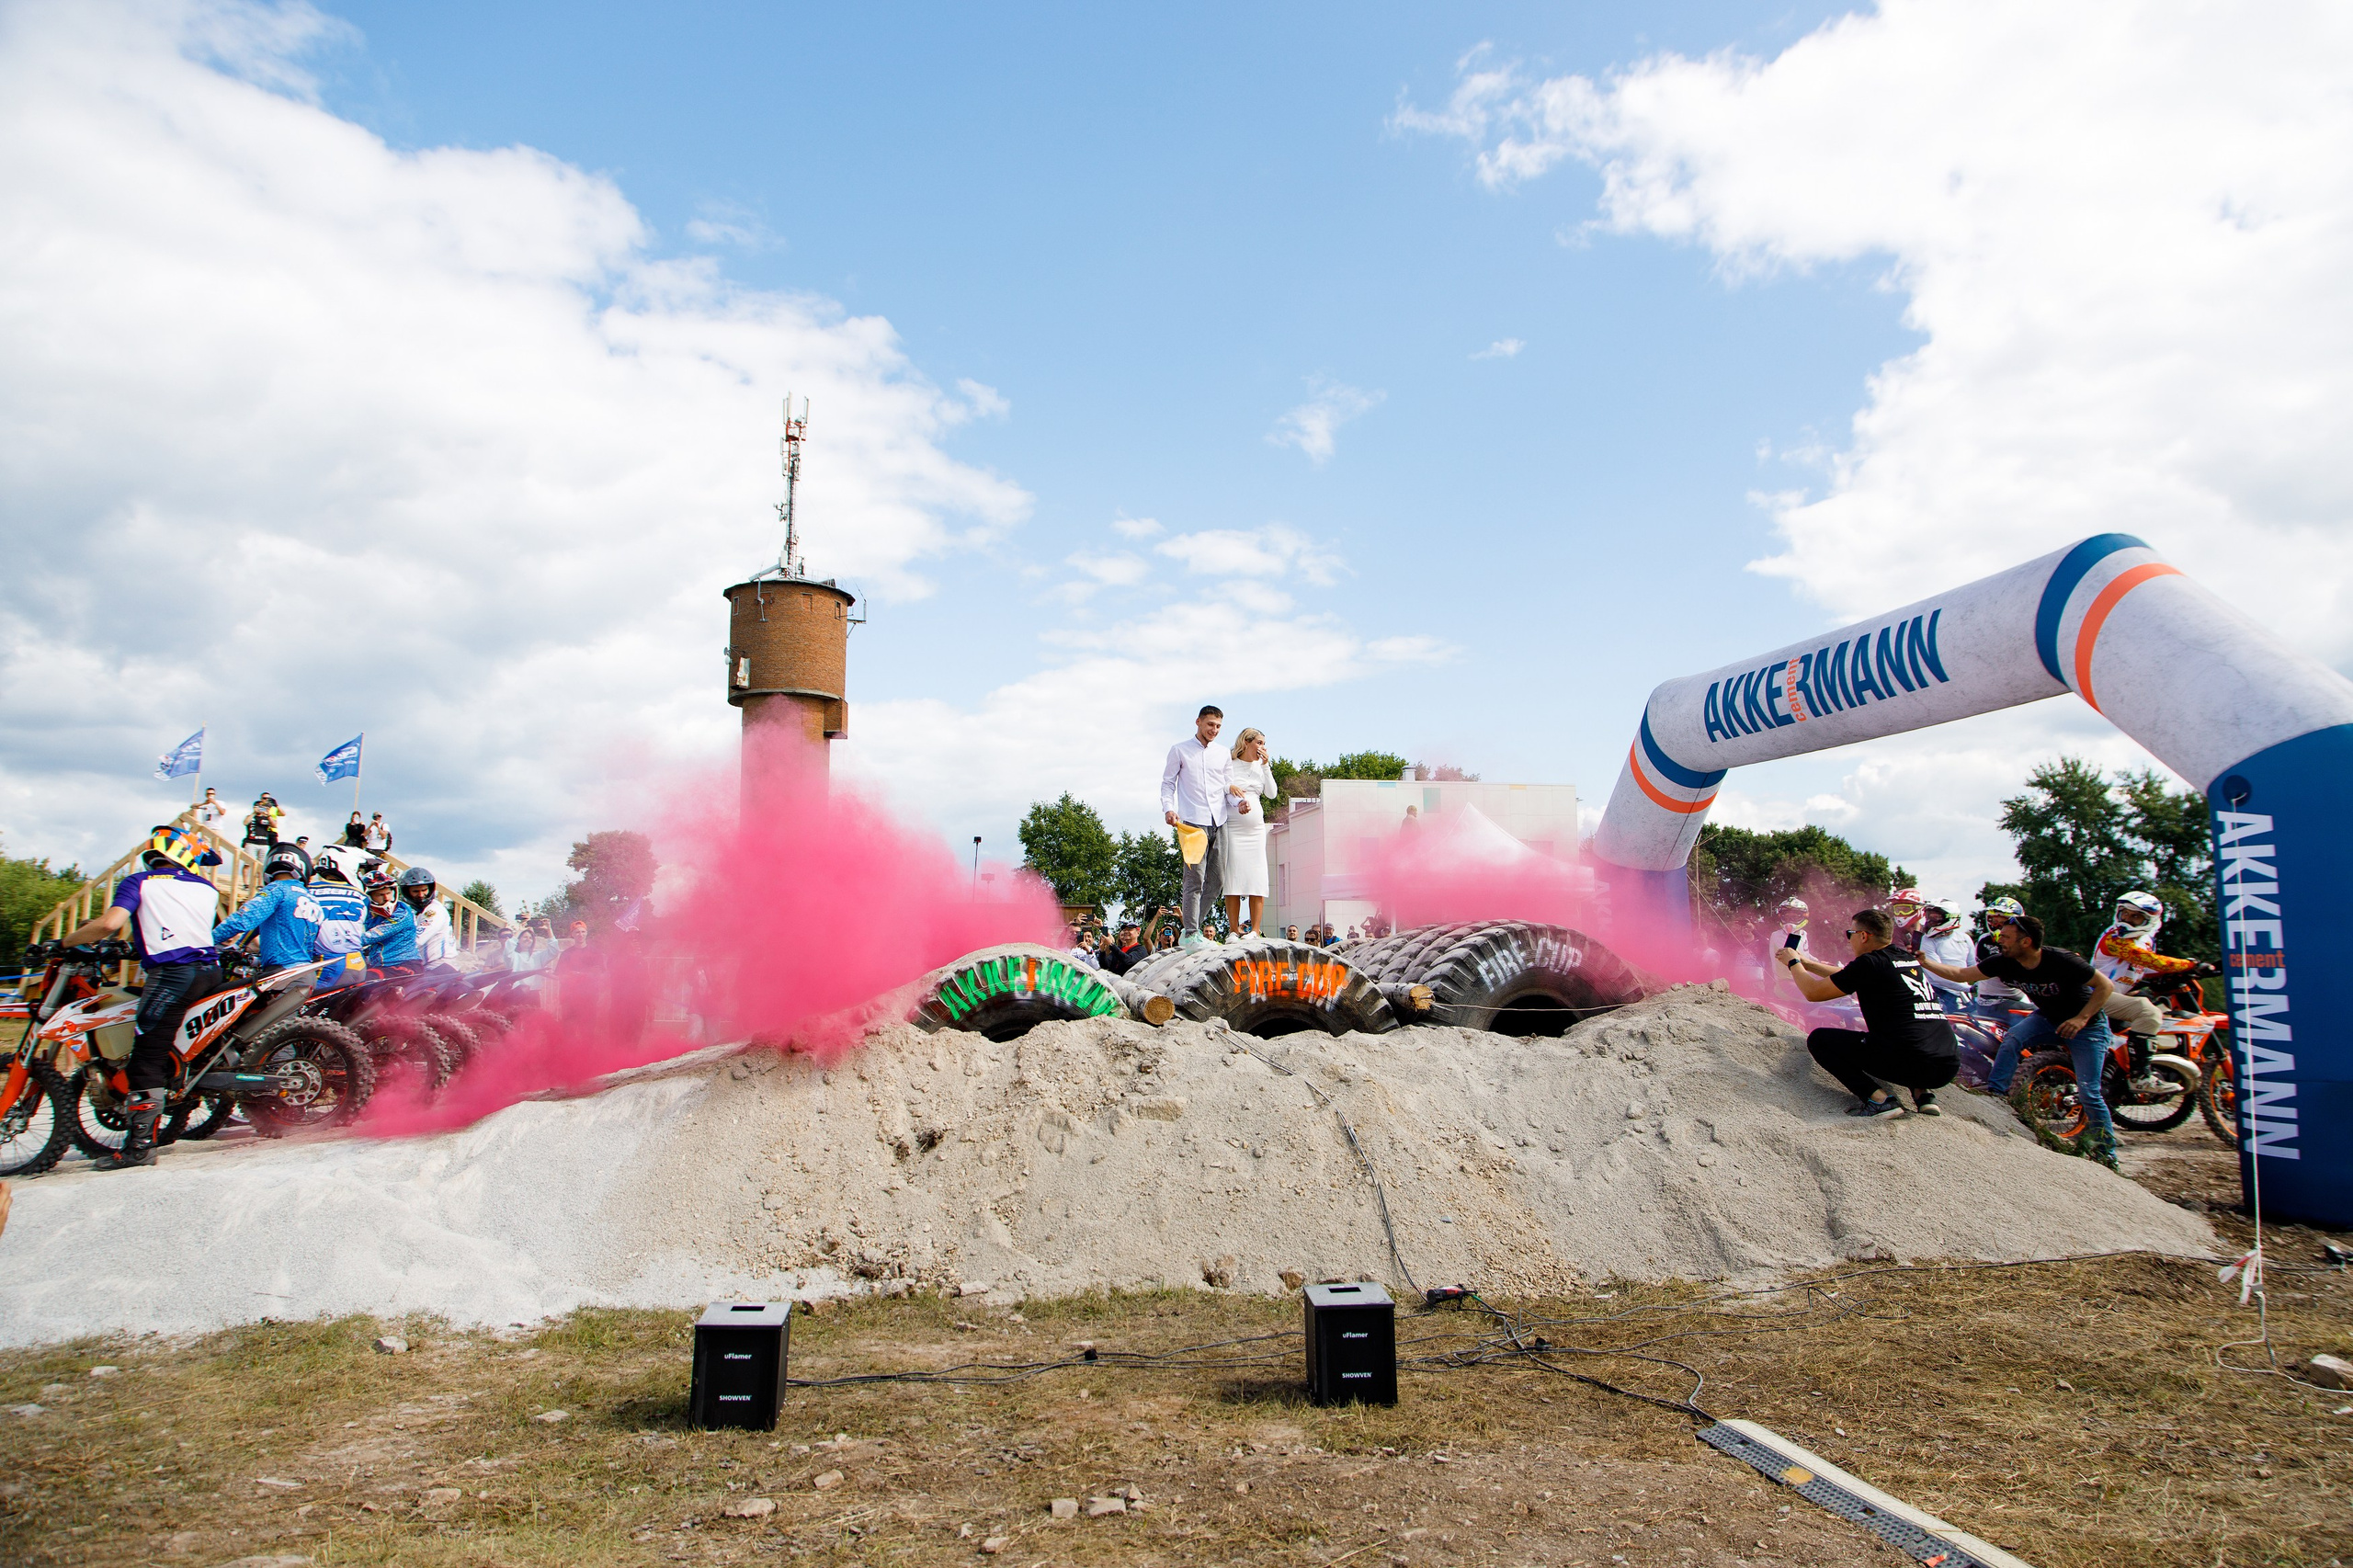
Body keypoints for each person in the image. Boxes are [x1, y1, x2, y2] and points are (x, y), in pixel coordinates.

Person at [53, 825, 224, 1169]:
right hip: (210, 970)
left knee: (145, 1057)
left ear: (154, 855)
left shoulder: (139, 881)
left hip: (173, 975)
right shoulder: (206, 887)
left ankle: (140, 1147)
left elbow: (108, 924)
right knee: (180, 1045)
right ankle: (180, 1106)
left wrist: (64, 942)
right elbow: (190, 931)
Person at [1918, 914, 2120, 1165]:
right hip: (2047, 1017)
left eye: (2006, 937)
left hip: (2087, 1026)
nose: (1999, 940)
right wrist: (1926, 962)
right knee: (2013, 1038)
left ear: (2026, 942)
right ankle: (1997, 1094)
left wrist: (2081, 1018)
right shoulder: (2004, 961)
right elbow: (1960, 973)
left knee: (2089, 1091)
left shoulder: (2060, 960)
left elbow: (2105, 986)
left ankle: (2107, 1152)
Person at [1777, 906, 1958, 1117]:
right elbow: (1848, 975)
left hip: (1911, 1061)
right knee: (1910, 1035)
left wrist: (1793, 962)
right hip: (1947, 1065)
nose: (1848, 939)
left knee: (1819, 1040)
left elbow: (1812, 992)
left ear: (1863, 936)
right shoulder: (1903, 958)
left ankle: (1879, 1100)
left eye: (1850, 934)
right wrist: (1807, 964)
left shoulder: (1869, 963)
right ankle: (1923, 1096)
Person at [2091, 891, 2196, 1088]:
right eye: (2125, 913)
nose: (2127, 919)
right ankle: (2141, 1077)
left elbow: (2145, 969)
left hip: (2110, 995)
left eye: (2135, 916)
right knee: (2148, 1013)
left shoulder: (2145, 941)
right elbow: (2148, 960)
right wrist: (2190, 965)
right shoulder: (2115, 938)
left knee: (2155, 1006)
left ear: (2149, 920)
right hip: (2095, 994)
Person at [1160, 705, 1230, 949]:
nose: (1214, 730)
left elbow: (1228, 787)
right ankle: (1191, 932)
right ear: (1198, 722)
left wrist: (1240, 802)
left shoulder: (1223, 753)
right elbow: (1168, 783)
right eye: (1210, 724)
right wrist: (1169, 808)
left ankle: (1193, 928)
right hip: (1192, 822)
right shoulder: (1180, 750)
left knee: (1218, 881)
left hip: (1219, 820)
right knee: (1195, 880)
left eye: (1219, 726)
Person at [210, 843, 323, 982]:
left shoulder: (277, 889)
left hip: (281, 975)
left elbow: (242, 919)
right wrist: (242, 948)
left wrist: (206, 941)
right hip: (305, 973)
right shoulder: (313, 900)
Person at [1221, 726, 1276, 938]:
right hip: (1234, 826)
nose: (1262, 747)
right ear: (1246, 742)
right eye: (1259, 743)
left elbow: (1271, 793)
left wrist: (1266, 766)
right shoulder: (1230, 765)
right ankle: (1233, 930)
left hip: (1255, 830)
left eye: (1264, 743)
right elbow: (1223, 790)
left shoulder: (1260, 767)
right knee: (1233, 877)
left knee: (1257, 877)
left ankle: (1255, 930)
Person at [1915, 896, 1978, 1015]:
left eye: (1935, 917)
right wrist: (1969, 988)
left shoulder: (1964, 938)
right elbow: (1937, 975)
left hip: (1963, 995)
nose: (1929, 921)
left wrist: (1979, 987)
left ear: (1950, 917)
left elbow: (1974, 967)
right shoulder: (1927, 940)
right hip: (1940, 994)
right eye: (1929, 916)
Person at [360, 867, 422, 976]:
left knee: (362, 980)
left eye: (388, 893)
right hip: (383, 966)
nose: (387, 898)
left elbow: (369, 937)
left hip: (404, 965)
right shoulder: (370, 914)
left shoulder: (402, 912)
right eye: (380, 895)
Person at [1973, 897, 2027, 1018]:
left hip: (2016, 998)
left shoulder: (2024, 942)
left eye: (2002, 922)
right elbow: (2006, 974)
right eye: (1993, 921)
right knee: (2042, 1016)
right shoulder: (1985, 941)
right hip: (1992, 1001)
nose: (1997, 926)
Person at [400, 867, 458, 971]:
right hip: (427, 966)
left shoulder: (434, 910)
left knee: (410, 987)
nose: (421, 895)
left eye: (424, 890)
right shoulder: (415, 911)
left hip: (440, 966)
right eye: (416, 891)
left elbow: (416, 939)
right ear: (407, 892)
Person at [1884, 886, 1926, 953]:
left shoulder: (1928, 932)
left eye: (1905, 909)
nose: (1901, 913)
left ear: (1919, 909)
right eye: (1898, 910)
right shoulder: (1894, 933)